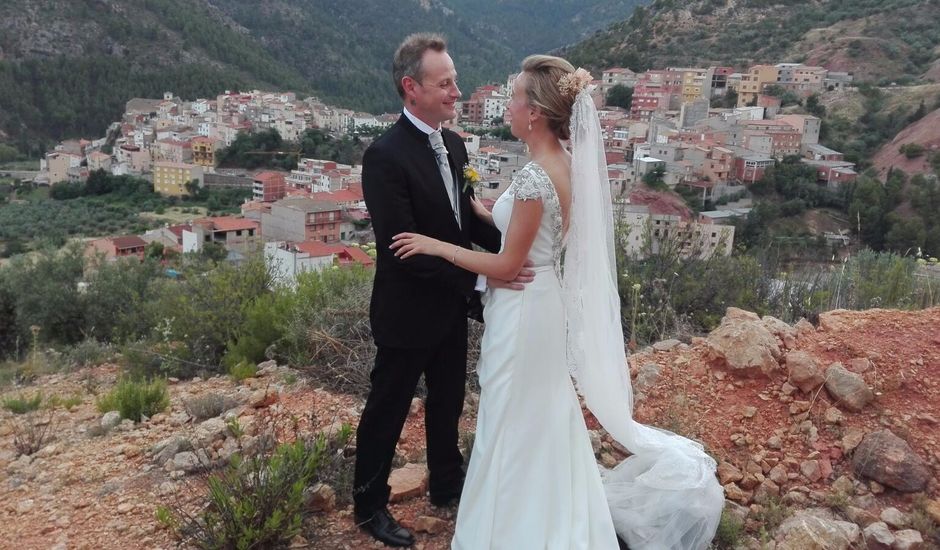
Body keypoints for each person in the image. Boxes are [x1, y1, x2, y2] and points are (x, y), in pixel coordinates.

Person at [391, 55, 724, 549]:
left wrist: (437, 245)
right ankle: (553, 514)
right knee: (543, 412)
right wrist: (476, 207)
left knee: (510, 414)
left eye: (516, 98)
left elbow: (507, 266)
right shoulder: (564, 164)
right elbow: (529, 233)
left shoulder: (532, 178)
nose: (509, 106)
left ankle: (506, 530)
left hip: (523, 306)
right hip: (544, 300)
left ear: (536, 113)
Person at [353, 33, 532, 548]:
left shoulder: (454, 145)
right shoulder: (384, 156)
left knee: (448, 401)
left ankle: (447, 485)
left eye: (455, 81)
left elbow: (461, 227)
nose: (458, 91)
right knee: (387, 409)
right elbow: (402, 249)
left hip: (452, 307)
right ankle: (369, 507)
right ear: (412, 88)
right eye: (446, 83)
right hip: (407, 311)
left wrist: (516, 251)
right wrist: (483, 278)